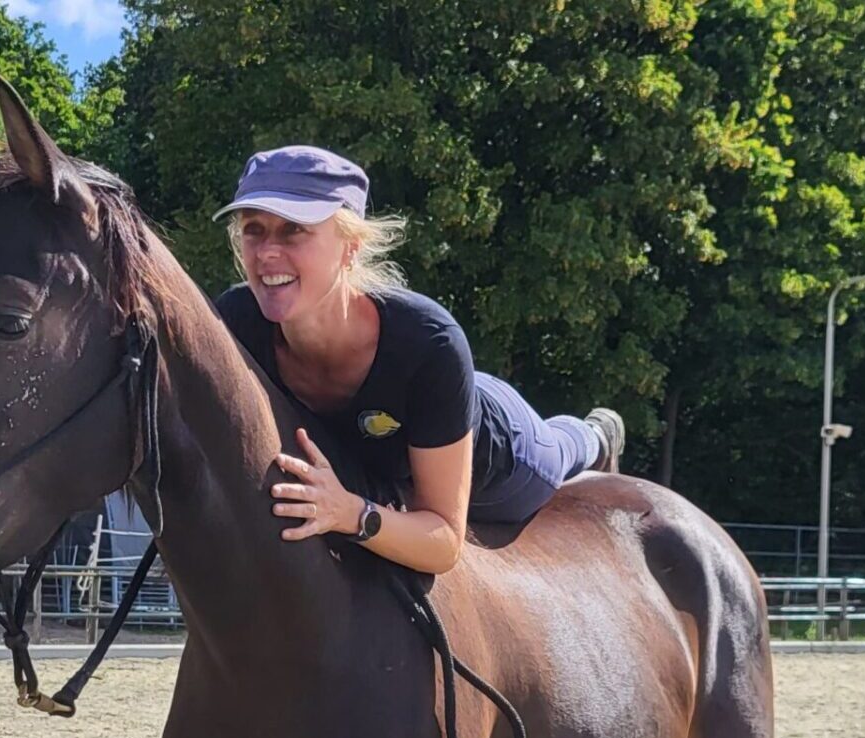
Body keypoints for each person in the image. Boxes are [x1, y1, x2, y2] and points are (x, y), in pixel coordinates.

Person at [211, 146, 625, 577]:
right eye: (253, 229)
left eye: (294, 229)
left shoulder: (430, 342)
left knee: (561, 449)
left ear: (350, 247)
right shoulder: (236, 322)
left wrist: (351, 513)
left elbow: (443, 543)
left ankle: (597, 434)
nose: (267, 252)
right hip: (401, 445)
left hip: (501, 453)